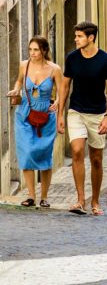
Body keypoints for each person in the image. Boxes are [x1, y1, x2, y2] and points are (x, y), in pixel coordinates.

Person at [57, 21, 107, 217]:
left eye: (79, 36)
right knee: (76, 151)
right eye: (76, 36)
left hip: (98, 113)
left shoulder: (105, 60)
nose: (76, 39)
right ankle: (80, 200)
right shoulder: (72, 58)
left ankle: (95, 200)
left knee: (97, 160)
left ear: (90, 38)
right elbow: (64, 87)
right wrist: (60, 114)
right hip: (76, 111)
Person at [7, 36, 62, 208]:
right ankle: (31, 196)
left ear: (44, 50)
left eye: (36, 50)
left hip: (46, 114)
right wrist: (16, 89)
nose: (32, 53)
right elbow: (19, 80)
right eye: (30, 49)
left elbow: (62, 91)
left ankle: (44, 196)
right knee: (27, 153)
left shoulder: (55, 69)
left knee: (45, 155)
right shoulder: (25, 65)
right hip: (24, 113)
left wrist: (58, 103)